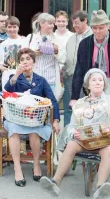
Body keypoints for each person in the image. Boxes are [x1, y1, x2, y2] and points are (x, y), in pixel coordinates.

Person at [40, 69, 110, 198]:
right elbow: (72, 126)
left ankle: (100, 188)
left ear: (104, 84)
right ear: (88, 85)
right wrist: (74, 133)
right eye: (94, 80)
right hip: (86, 140)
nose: (98, 82)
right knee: (71, 145)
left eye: (100, 80)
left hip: (106, 141)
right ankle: (55, 182)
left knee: (108, 150)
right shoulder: (80, 103)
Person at [70, 10, 110, 178]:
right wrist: (74, 97)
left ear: (107, 26)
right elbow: (78, 71)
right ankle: (93, 151)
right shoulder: (85, 44)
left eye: (101, 27)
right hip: (91, 84)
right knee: (90, 119)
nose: (98, 31)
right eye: (95, 28)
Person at [4, 48, 60, 187]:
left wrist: (56, 120)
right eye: (22, 59)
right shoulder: (15, 77)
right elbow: (7, 90)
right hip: (15, 117)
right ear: (18, 63)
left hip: (35, 118)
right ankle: (18, 169)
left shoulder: (41, 80)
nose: (25, 62)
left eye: (28, 59)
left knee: (34, 131)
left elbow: (52, 100)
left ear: (34, 62)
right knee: (14, 130)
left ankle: (36, 165)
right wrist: (16, 74)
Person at [62, 10, 92, 126]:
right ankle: (67, 138)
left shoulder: (93, 36)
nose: (73, 26)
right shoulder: (71, 38)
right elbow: (66, 57)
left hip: (86, 80)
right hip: (70, 78)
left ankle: (83, 138)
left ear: (85, 21)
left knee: (85, 111)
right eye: (73, 23)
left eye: (76, 23)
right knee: (69, 109)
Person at [27, 13, 65, 100]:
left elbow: (63, 59)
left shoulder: (57, 39)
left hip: (51, 79)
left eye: (53, 23)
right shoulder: (31, 38)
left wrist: (56, 52)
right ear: (41, 24)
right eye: (50, 23)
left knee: (50, 107)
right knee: (35, 106)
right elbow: (23, 56)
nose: (52, 26)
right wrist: (34, 53)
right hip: (34, 79)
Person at [0, 16, 28, 89]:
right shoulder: (3, 44)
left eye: (14, 27)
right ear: (6, 28)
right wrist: (1, 68)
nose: (12, 29)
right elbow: (1, 60)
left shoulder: (24, 41)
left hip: (22, 75)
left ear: (18, 27)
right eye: (9, 27)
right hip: (7, 75)